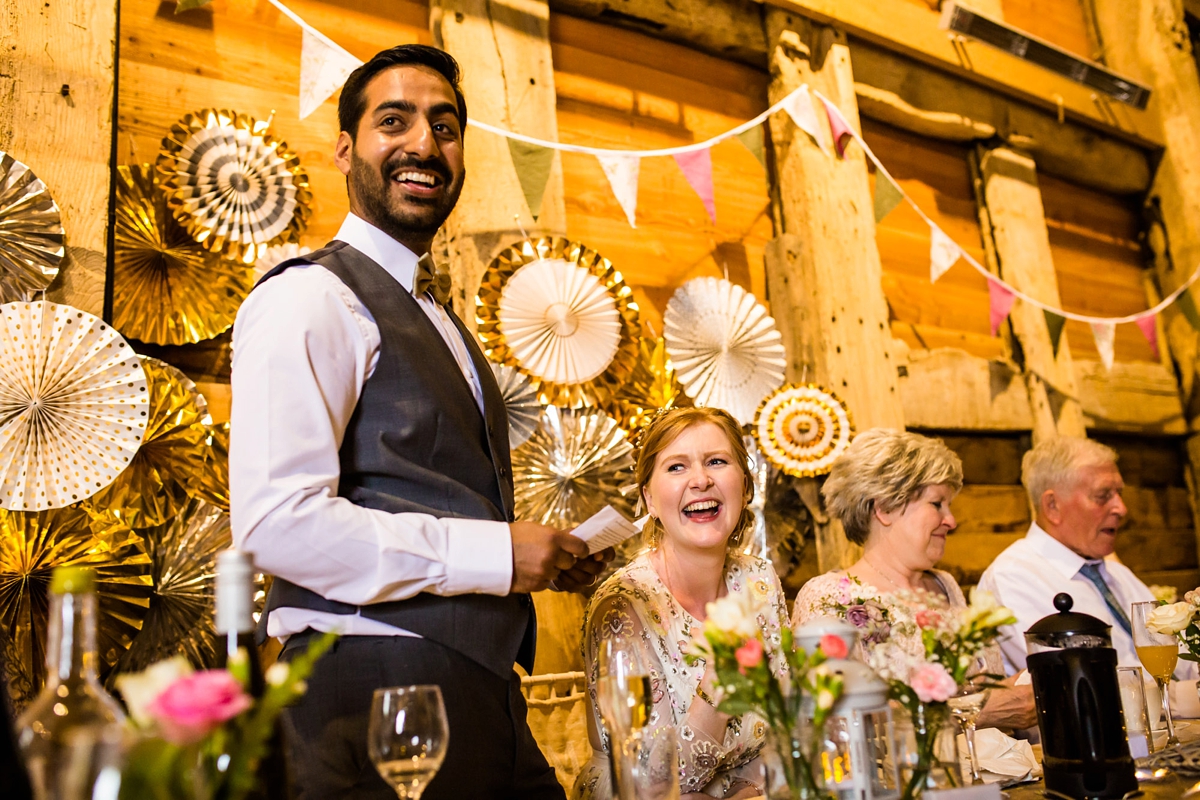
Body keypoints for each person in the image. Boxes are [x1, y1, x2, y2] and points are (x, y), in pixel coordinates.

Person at [229, 45, 612, 799]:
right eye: (393, 121)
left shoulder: (437, 315)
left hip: (485, 692)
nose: (424, 146)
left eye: (445, 126)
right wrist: (495, 555)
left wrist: (541, 559)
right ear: (345, 149)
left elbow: (420, 491)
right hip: (368, 686)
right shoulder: (311, 297)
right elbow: (277, 523)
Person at [571, 407, 786, 800]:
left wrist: (748, 787)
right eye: (676, 467)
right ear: (649, 499)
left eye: (717, 462)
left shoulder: (759, 581)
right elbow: (656, 783)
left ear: (744, 485)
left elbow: (785, 728)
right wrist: (720, 683)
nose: (701, 480)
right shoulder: (623, 604)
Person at [792, 428, 1036, 731]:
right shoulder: (828, 598)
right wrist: (976, 712)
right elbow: (835, 723)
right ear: (885, 508)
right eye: (937, 504)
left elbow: (985, 690)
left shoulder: (945, 585)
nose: (951, 520)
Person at [978, 436, 1195, 683]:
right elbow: (1079, 683)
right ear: (1052, 506)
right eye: (1103, 495)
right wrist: (1181, 698)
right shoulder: (1013, 578)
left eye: (1119, 494)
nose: (1121, 508)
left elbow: (1183, 655)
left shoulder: (1118, 574)